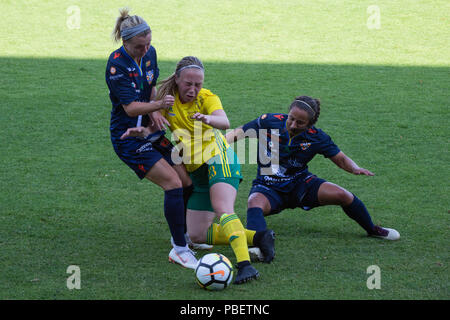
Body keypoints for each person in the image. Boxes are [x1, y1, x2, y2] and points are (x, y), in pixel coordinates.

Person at [121, 56, 275, 284]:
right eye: (188, 84)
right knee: (197, 235)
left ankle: (245, 265)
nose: (193, 89)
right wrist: (140, 133)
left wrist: (208, 118)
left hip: (219, 159)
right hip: (197, 171)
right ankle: (259, 237)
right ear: (177, 79)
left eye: (198, 84)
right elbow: (152, 129)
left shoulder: (207, 98)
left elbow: (224, 122)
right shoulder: (167, 103)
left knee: (223, 208)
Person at [226, 95, 400, 260]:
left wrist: (355, 169)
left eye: (300, 122)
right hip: (268, 187)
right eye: (291, 118)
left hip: (301, 184)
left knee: (343, 195)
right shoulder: (268, 121)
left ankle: (372, 229)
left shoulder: (317, 137)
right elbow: (239, 132)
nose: (293, 125)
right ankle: (257, 246)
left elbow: (340, 158)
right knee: (254, 202)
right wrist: (218, 146)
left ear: (310, 124)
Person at [105, 9, 198, 269]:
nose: (145, 50)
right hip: (129, 139)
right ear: (125, 42)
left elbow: (151, 85)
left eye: (148, 44)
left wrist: (156, 108)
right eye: (139, 46)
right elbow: (131, 108)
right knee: (172, 183)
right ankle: (179, 250)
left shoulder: (150, 52)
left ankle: (181, 236)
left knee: (186, 181)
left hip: (150, 131)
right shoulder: (116, 66)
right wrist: (157, 105)